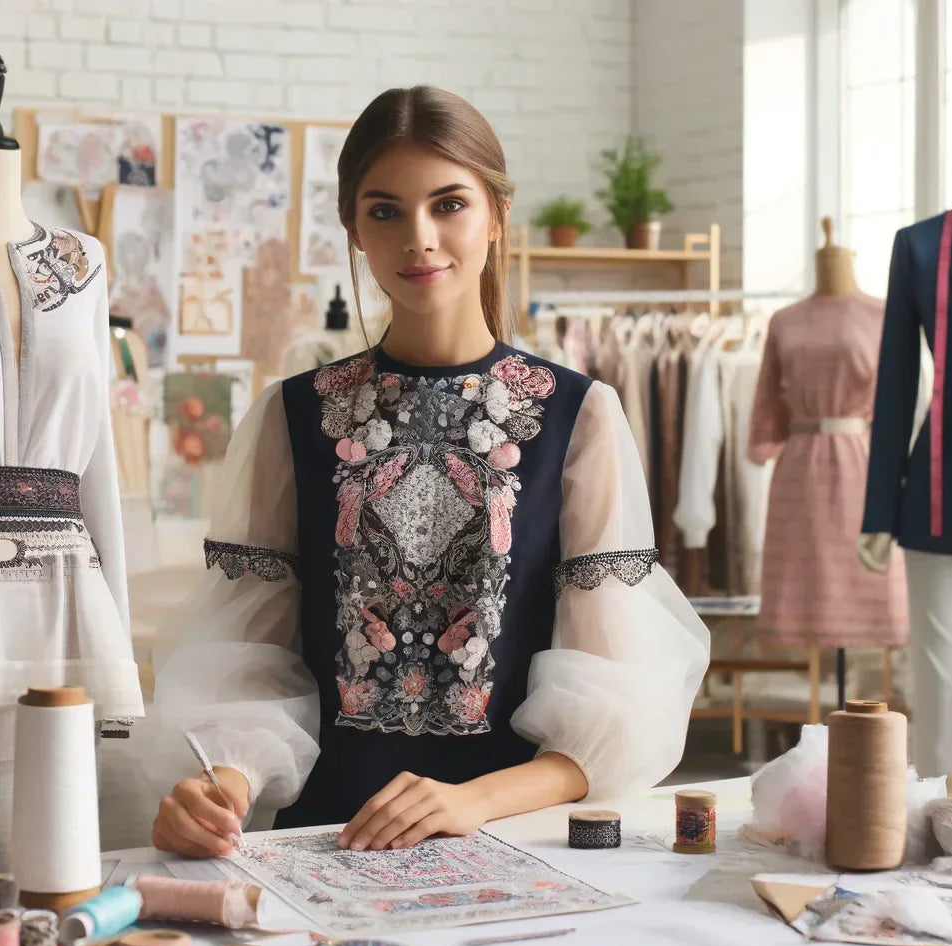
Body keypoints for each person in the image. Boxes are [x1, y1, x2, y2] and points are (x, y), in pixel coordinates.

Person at [144, 85, 710, 857]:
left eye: (449, 205)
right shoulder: (293, 415)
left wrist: (467, 802)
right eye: (385, 211)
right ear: (354, 228)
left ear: (496, 217)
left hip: (515, 840)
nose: (419, 238)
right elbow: (251, 666)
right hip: (327, 838)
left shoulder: (582, 415)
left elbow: (616, 707)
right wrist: (221, 789)